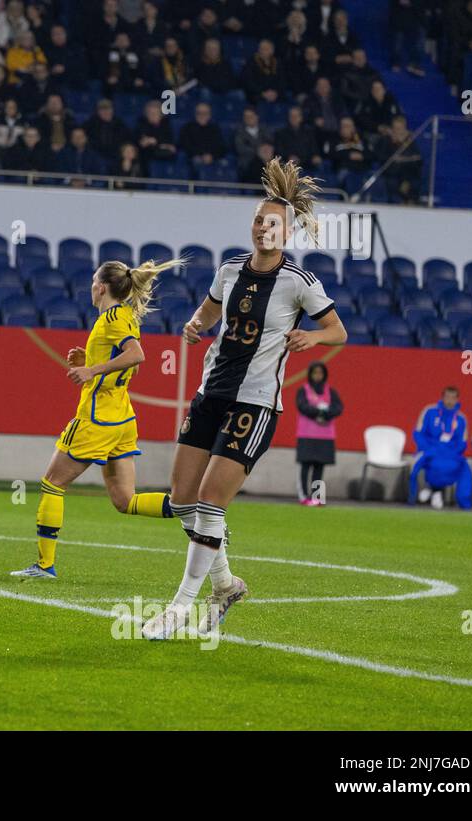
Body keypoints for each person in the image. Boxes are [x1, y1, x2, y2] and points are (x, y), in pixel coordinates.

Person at [144, 157, 346, 640]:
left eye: (271, 223)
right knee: (183, 499)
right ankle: (226, 584)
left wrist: (312, 340)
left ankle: (177, 611)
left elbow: (338, 330)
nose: (261, 228)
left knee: (213, 502)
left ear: (287, 233)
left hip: (254, 404)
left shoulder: (300, 282)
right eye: (258, 220)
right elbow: (209, 312)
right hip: (210, 392)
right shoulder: (230, 269)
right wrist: (196, 326)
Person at [11, 258, 181, 579]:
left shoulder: (111, 320)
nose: (91, 287)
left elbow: (136, 356)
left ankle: (45, 565)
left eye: (93, 282)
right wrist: (88, 359)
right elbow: (130, 364)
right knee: (125, 500)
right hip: (122, 417)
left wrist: (91, 369)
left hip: (97, 417)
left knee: (52, 483)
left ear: (101, 287)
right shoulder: (125, 315)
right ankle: (195, 512)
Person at [408, 387, 472, 510]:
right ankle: (436, 492)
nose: (450, 400)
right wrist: (427, 448)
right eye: (447, 397)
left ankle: (433, 490)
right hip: (430, 450)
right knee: (436, 463)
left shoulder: (461, 418)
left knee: (457, 466)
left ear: (457, 400)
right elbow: (418, 433)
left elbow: (462, 443)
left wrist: (450, 452)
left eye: (453, 398)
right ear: (442, 397)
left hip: (450, 453)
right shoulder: (429, 411)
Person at [295, 361, 343, 506]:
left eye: (320, 373)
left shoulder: (331, 391)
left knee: (319, 467)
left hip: (325, 435)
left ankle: (317, 497)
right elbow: (302, 406)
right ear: (310, 374)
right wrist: (319, 412)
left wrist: (326, 413)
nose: (318, 376)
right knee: (305, 466)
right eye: (315, 373)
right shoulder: (303, 390)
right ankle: (304, 496)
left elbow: (338, 408)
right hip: (307, 434)